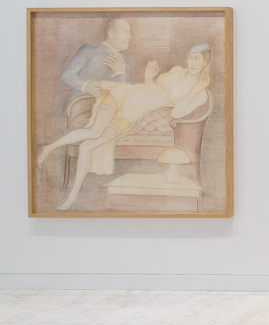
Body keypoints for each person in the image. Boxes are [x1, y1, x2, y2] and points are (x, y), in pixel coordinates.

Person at [38, 43, 212, 211]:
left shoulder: (201, 93)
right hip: (124, 93)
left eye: (197, 59)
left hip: (132, 112)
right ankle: (50, 147)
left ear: (205, 62)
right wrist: (149, 78)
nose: (192, 62)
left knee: (87, 146)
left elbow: (177, 112)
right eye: (190, 58)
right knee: (94, 131)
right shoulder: (176, 72)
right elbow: (153, 90)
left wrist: (195, 90)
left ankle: (73, 195)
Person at [59, 18, 133, 98]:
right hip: (82, 103)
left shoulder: (127, 62)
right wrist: (86, 86)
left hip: (112, 105)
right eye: (125, 31)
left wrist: (119, 73)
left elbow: (125, 95)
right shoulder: (89, 50)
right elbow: (66, 75)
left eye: (129, 32)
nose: (129, 37)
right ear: (111, 33)